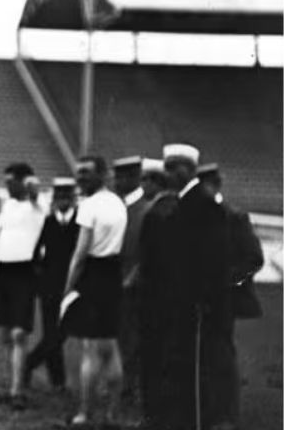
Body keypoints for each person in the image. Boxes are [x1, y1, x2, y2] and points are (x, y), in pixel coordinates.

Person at [140, 144, 228, 430]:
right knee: (177, 367)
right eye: (166, 167)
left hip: (194, 303)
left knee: (193, 371)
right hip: (176, 301)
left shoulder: (203, 203)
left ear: (188, 169)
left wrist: (204, 298)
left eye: (173, 167)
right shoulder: (181, 202)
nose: (168, 173)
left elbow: (213, 258)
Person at [61, 156, 127, 429]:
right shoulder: (118, 202)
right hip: (113, 275)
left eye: (86, 172)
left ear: (102, 174)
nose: (80, 177)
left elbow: (80, 255)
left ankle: (84, 414)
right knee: (110, 347)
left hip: (94, 274)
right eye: (78, 173)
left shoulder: (89, 206)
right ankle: (112, 414)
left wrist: (67, 288)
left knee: (90, 348)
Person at [197, 163, 262, 430]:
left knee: (220, 357)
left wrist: (226, 284)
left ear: (216, 185)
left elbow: (253, 259)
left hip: (224, 302)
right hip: (198, 302)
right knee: (201, 359)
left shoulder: (234, 217)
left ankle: (225, 417)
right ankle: (206, 414)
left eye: (204, 187)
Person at [0, 163, 45, 410]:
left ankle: (18, 390)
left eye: (11, 182)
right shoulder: (8, 205)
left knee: (19, 333)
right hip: (4, 269)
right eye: (6, 182)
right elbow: (1, 232)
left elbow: (36, 196)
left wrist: (31, 188)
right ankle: (11, 385)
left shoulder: (37, 204)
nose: (7, 187)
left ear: (24, 182)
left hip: (25, 270)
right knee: (5, 332)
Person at [24, 177, 79, 393]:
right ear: (55, 199)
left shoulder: (80, 223)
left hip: (71, 287)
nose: (63, 200)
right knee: (50, 333)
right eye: (59, 196)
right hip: (49, 287)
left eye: (67, 196)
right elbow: (37, 254)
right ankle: (58, 381)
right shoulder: (49, 222)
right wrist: (41, 279)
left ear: (73, 198)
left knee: (62, 332)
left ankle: (28, 363)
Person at [112, 155, 151, 403]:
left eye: (120, 177)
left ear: (133, 178)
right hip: (115, 281)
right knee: (118, 334)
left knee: (133, 336)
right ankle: (122, 384)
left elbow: (147, 250)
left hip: (136, 285)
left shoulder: (146, 209)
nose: (116, 182)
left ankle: (131, 386)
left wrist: (133, 276)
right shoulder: (118, 207)